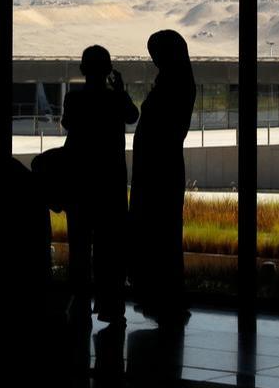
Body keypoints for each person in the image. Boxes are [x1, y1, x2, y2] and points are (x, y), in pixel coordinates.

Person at [62, 45, 139, 324]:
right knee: (110, 247)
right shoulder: (115, 100)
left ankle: (80, 303)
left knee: (80, 246)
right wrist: (119, 91)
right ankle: (110, 305)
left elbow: (67, 124)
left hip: (81, 180)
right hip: (111, 182)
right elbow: (133, 116)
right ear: (108, 70)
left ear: (83, 70)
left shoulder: (73, 99)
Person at [128, 30, 196, 326]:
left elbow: (163, 127)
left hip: (160, 167)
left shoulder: (174, 84)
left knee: (159, 231)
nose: (154, 60)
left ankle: (161, 296)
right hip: (157, 167)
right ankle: (161, 296)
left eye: (157, 54)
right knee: (160, 231)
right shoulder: (176, 80)